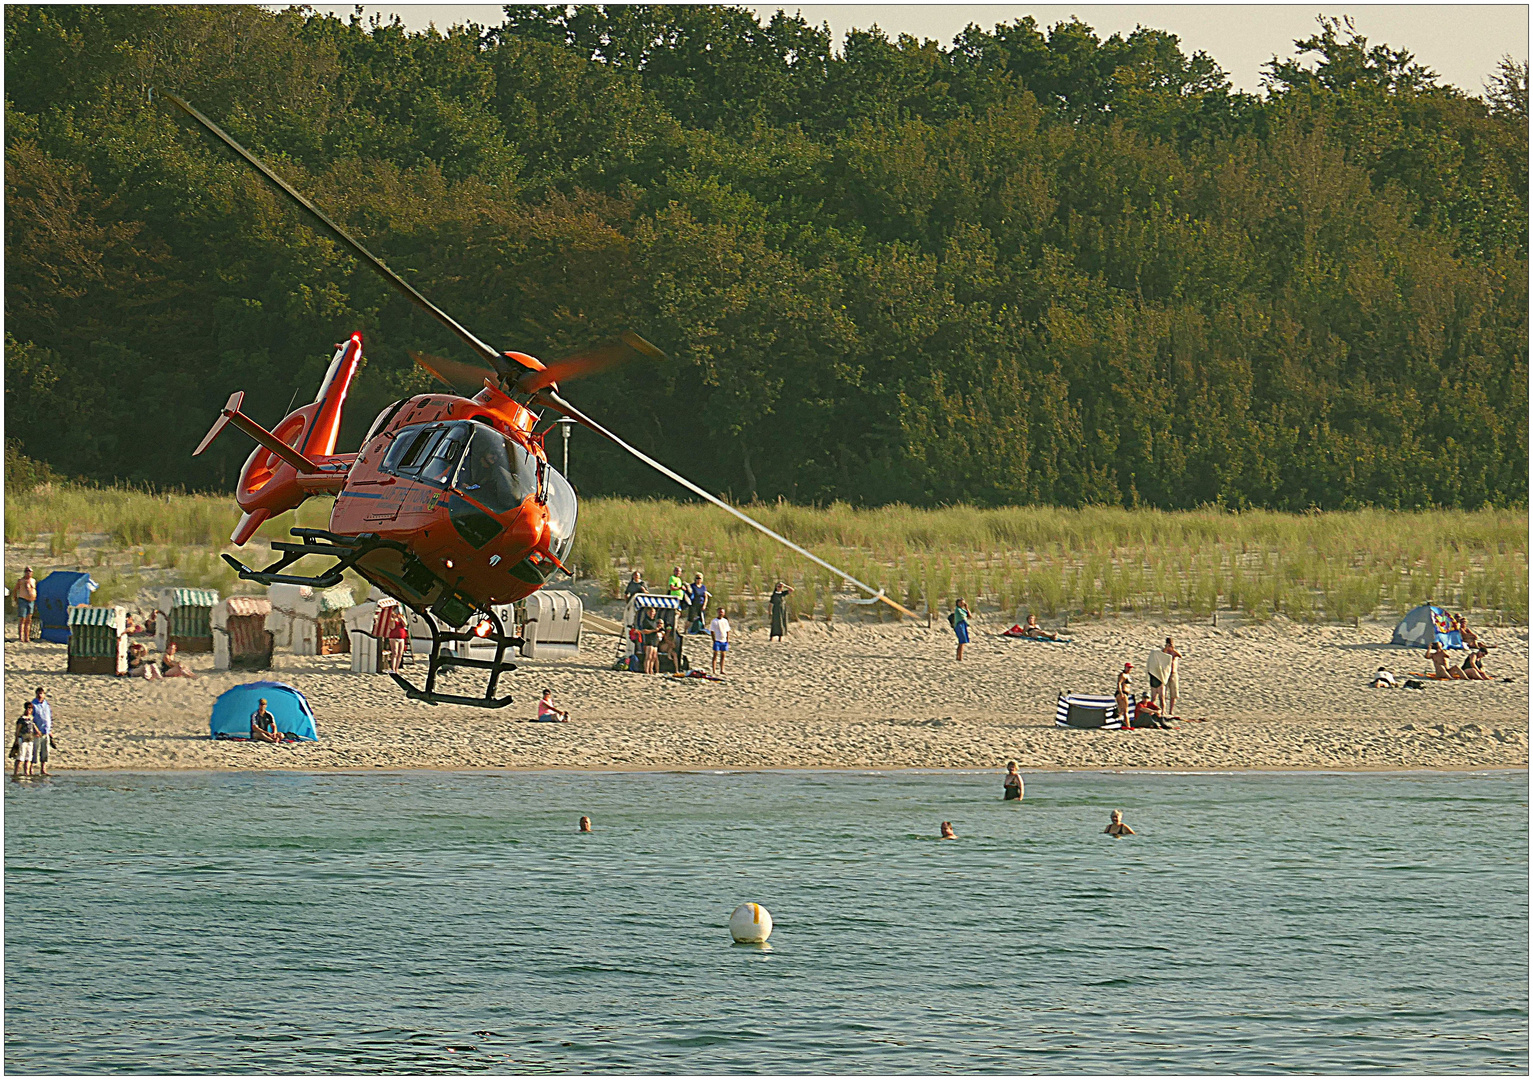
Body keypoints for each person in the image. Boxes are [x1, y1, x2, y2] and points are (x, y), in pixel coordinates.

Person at [12, 702, 38, 780]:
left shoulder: (31, 718)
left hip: (30, 739)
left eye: (30, 708)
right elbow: (18, 730)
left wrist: (37, 732)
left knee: (28, 757)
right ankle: (16, 773)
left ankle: (27, 773)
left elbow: (33, 726)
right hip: (22, 739)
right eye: (28, 708)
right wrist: (16, 740)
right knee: (20, 757)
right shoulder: (21, 719)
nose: (29, 710)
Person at [30, 687, 51, 778]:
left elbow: (48, 717)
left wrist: (49, 730)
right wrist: (35, 730)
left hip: (45, 731)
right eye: (38, 693)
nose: (40, 695)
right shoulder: (33, 704)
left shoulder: (46, 704)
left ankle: (43, 769)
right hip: (36, 732)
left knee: (45, 751)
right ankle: (30, 769)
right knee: (34, 751)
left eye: (41, 693)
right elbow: (31, 718)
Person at [636, 607, 661, 674]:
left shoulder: (655, 621)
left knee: (654, 657)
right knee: (648, 656)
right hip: (649, 640)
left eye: (653, 612)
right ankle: (646, 670)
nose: (652, 614)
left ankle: (651, 669)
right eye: (650, 612)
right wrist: (654, 630)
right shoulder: (646, 621)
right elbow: (644, 631)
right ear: (647, 613)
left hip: (655, 640)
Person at [1162, 637, 1183, 717]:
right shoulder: (1164, 651)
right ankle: (1163, 710)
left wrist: (1173, 649)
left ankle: (1171, 710)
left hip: (1173, 673)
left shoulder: (1174, 652)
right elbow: (1161, 656)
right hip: (1165, 673)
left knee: (1173, 693)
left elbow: (1180, 656)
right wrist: (1166, 649)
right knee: (1163, 692)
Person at [15, 567, 36, 643]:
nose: (28, 573)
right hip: (23, 600)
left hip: (31, 601)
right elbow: (15, 590)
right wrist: (16, 600)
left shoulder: (33, 580)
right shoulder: (21, 581)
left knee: (29, 619)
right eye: (27, 572)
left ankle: (27, 637)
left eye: (30, 572)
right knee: (22, 619)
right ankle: (21, 637)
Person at [708, 607, 731, 675]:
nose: (721, 613)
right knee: (715, 655)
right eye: (719, 612)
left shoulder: (725, 621)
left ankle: (722, 669)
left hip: (724, 640)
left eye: (722, 612)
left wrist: (727, 640)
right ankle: (714, 670)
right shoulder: (714, 621)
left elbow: (727, 631)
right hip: (717, 640)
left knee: (723, 655)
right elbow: (712, 631)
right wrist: (714, 640)